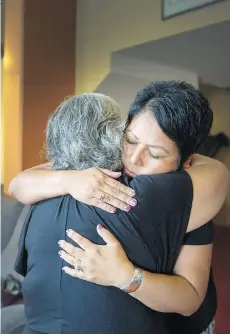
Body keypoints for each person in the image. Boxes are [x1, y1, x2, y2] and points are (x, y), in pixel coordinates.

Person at [10, 83, 229, 333]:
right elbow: (22, 182)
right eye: (130, 140)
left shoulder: (190, 198)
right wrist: (69, 179)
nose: (134, 159)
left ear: (187, 163)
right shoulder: (95, 177)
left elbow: (189, 299)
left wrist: (127, 277)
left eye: (155, 154)